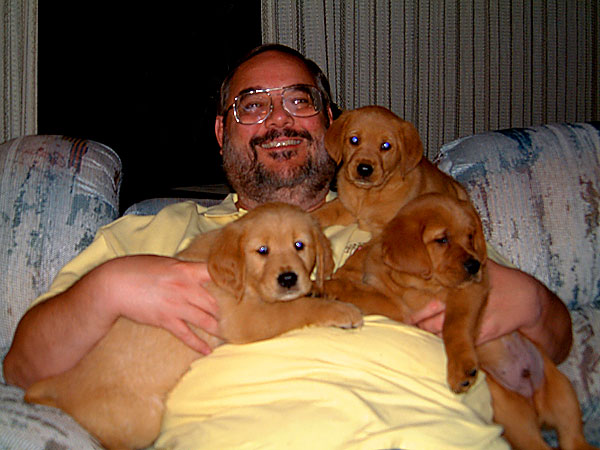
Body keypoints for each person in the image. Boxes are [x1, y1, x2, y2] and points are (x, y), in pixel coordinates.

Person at [3, 43, 572, 448]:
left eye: (299, 102)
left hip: (438, 434)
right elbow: (25, 367)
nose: (278, 118)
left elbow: (553, 347)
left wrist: (537, 305)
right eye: (252, 105)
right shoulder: (162, 233)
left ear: (330, 125)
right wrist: (109, 288)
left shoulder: (420, 221)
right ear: (224, 134)